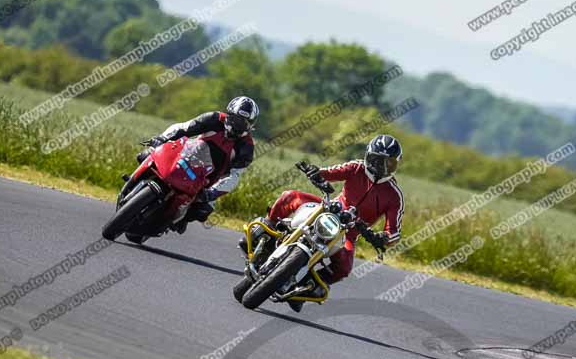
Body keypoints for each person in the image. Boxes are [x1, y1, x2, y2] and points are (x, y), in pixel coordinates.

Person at [250, 135, 405, 312]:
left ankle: (308, 284)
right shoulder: (356, 167)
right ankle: (267, 228)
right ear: (368, 156)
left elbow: (393, 232)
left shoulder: (394, 195)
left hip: (349, 231)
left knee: (345, 268)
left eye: (388, 163)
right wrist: (315, 173)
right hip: (329, 208)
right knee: (290, 196)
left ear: (396, 165)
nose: (381, 167)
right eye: (377, 160)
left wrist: (381, 238)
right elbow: (329, 173)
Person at [140, 96, 259, 233]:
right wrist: (162, 138)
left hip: (208, 180)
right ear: (228, 114)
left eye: (242, 123)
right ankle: (135, 179)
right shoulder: (213, 119)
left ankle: (178, 220)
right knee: (147, 154)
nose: (237, 125)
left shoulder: (246, 148)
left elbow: (234, 176)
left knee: (203, 210)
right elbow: (183, 128)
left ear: (250, 126)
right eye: (235, 119)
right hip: (188, 157)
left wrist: (212, 192)